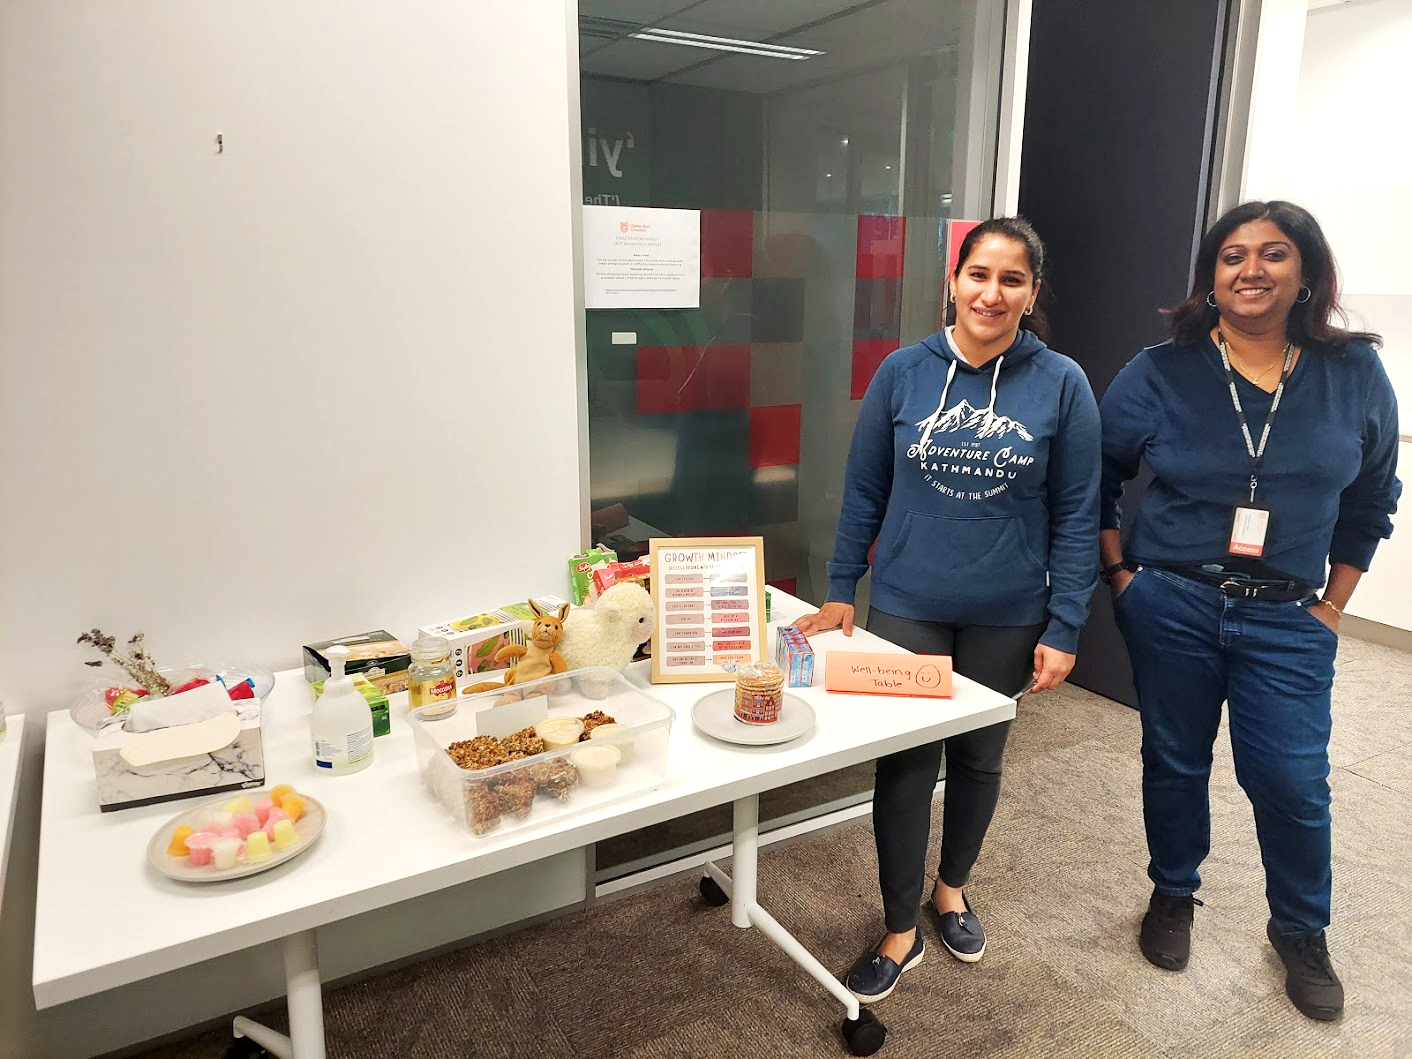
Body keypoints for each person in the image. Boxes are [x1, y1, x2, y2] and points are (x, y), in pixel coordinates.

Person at [1099, 200, 1401, 1022]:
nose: (1251, 269)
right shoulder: (1161, 369)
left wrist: (1335, 603)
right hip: (1174, 600)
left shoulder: (1354, 374)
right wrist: (1123, 576)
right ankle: (1172, 891)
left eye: (1273, 253)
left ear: (1306, 270)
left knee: (1294, 782)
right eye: (1233, 255)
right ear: (1211, 276)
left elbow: (1375, 494)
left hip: (1290, 616)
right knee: (1174, 757)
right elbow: (1097, 472)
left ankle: (1301, 928)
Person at [794, 216, 1101, 1003]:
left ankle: (951, 887)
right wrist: (838, 589)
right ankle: (902, 925)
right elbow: (864, 488)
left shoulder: (1062, 381)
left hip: (1008, 610)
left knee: (978, 759)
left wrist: (1065, 624)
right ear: (952, 282)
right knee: (903, 768)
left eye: (1011, 279)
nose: (991, 292)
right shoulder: (903, 371)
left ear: (1032, 293)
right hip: (907, 604)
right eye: (979, 274)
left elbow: (1076, 512)